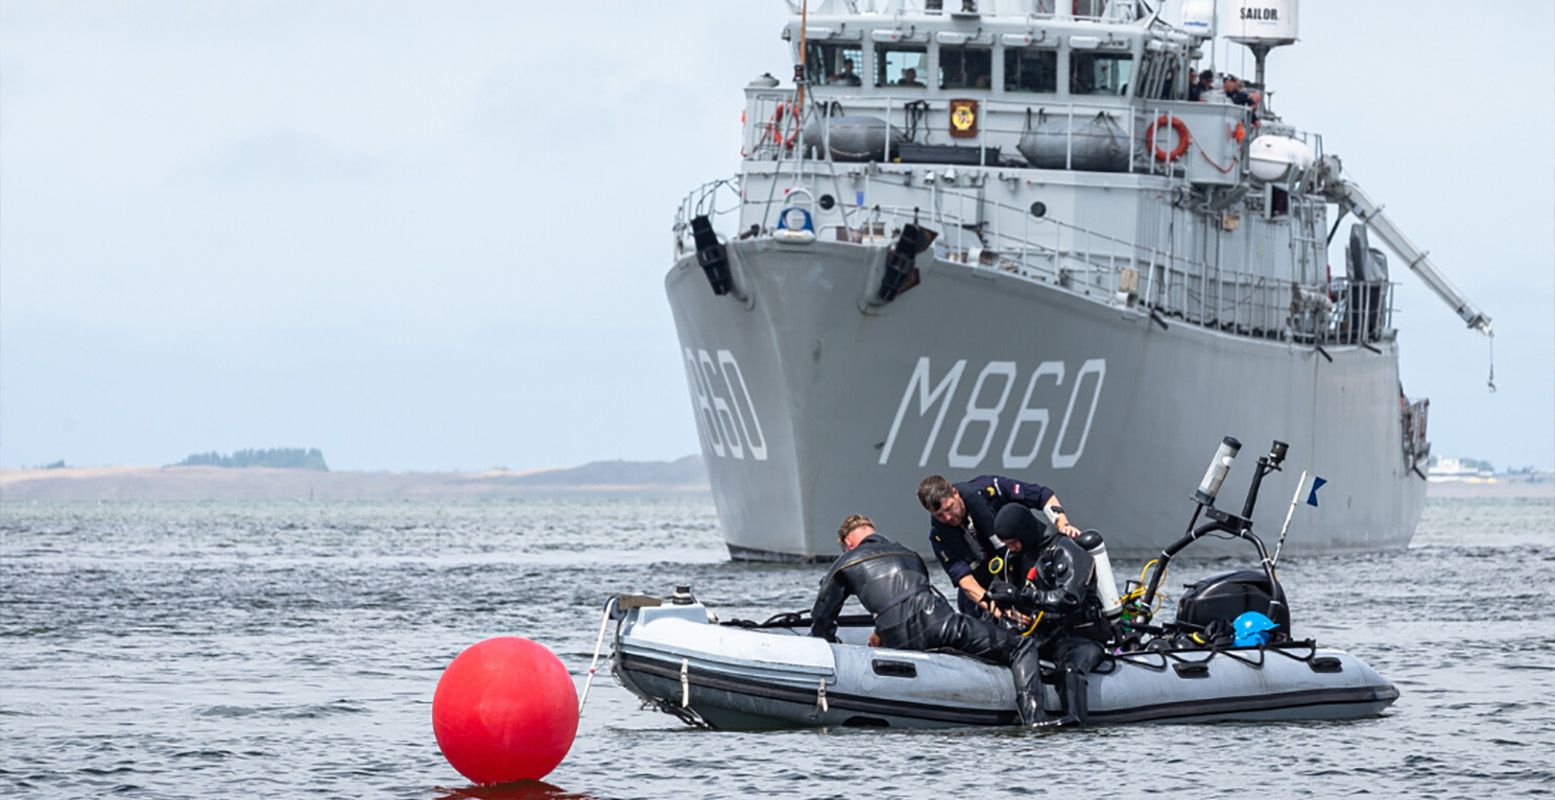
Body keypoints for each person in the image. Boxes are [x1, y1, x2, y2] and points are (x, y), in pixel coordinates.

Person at [809, 514, 1048, 725]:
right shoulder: (907, 554)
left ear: (848, 544)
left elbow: (822, 615)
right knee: (1020, 645)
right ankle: (1034, 721)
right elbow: (912, 597)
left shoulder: (847, 561)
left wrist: (826, 645)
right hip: (940, 625)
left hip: (896, 640)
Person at [988, 504, 1112, 726]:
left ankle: (1075, 720)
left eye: (1013, 542)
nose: (1012, 548)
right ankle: (1032, 716)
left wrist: (1021, 596)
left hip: (1080, 637)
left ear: (1025, 531)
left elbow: (1069, 598)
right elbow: (1005, 590)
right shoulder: (1014, 557)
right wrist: (1005, 605)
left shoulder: (1065, 549)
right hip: (1041, 636)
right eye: (1007, 544)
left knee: (1070, 668)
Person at [916, 474, 1083, 619]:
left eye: (949, 508)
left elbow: (1042, 495)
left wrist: (1063, 524)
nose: (948, 518)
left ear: (955, 493)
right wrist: (1002, 613)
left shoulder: (991, 488)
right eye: (939, 515)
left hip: (1023, 563)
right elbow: (966, 582)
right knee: (970, 609)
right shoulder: (939, 537)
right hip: (986, 584)